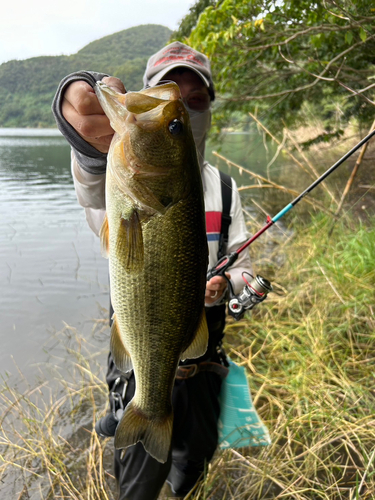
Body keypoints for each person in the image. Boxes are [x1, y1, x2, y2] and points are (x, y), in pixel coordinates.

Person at [52, 41, 252, 500]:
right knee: (137, 486)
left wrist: (229, 287)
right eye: (165, 91)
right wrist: (77, 117)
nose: (177, 103)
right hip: (141, 363)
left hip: (202, 365)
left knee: (193, 462)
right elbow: (90, 178)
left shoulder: (223, 186)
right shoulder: (118, 175)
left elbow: (245, 266)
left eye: (192, 102)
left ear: (208, 108)